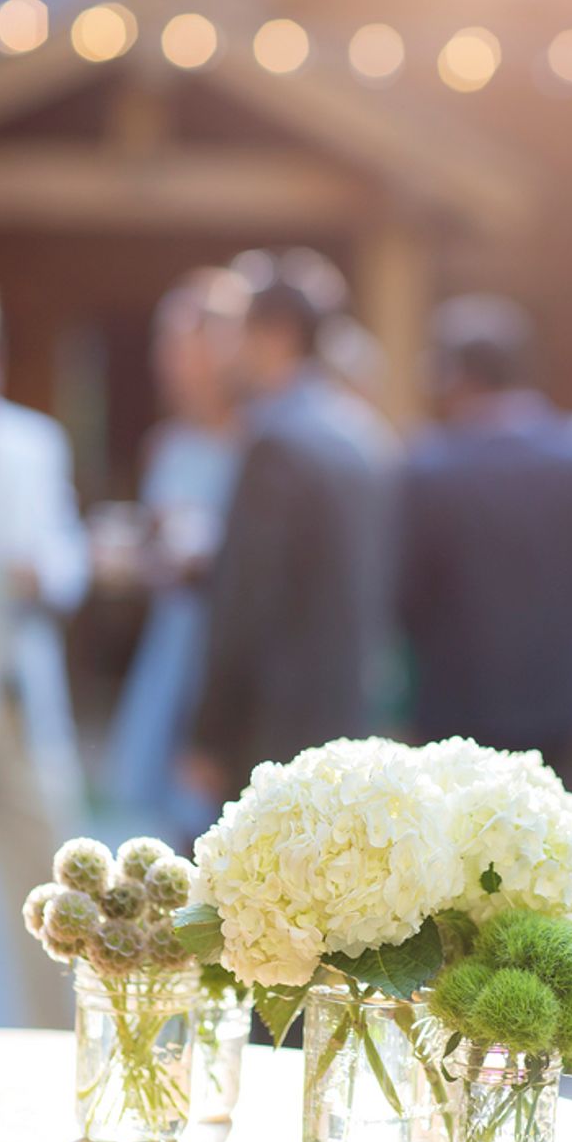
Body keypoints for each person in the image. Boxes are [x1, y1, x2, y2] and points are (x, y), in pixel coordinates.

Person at [399, 294, 572, 791]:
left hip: (459, 701)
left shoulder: (431, 467)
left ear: (454, 375)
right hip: (559, 695)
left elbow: (405, 593)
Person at [184, 279, 395, 800]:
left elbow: (246, 599)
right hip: (345, 707)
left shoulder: (276, 440)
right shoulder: (361, 430)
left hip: (273, 725)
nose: (228, 351)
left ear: (277, 334)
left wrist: (211, 732)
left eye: (238, 332)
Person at [0, 266, 87, 1025]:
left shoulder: (35, 442)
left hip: (18, 702)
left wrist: (46, 572)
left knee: (51, 897)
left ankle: (53, 1049)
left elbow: (67, 553)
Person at [105, 268, 248, 843]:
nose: (167, 361)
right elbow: (159, 553)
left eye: (180, 345)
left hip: (227, 653)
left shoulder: (260, 443)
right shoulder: (166, 444)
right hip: (176, 644)